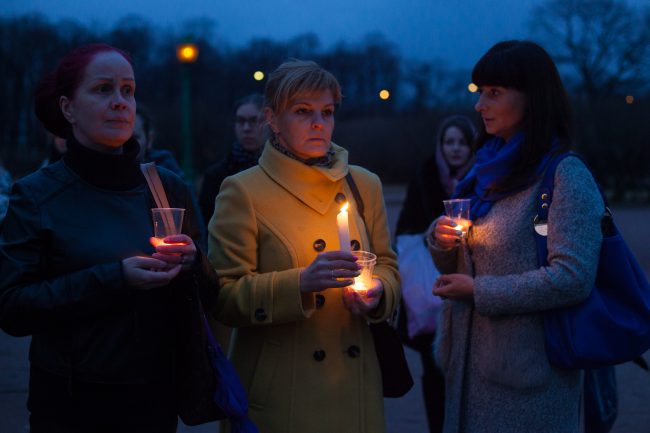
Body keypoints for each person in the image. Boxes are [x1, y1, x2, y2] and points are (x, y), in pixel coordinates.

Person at [0, 43, 218, 433]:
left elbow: (209, 290)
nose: (120, 102)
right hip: (71, 406)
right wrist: (116, 279)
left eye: (127, 90)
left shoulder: (165, 187)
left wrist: (193, 261)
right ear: (68, 108)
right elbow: (12, 308)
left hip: (155, 401)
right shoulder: (35, 195)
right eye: (103, 89)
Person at [208, 60, 400, 433]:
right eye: (302, 112)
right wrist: (300, 283)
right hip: (284, 395)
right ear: (272, 120)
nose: (318, 123)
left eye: (327, 112)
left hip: (355, 385)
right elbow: (224, 297)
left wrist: (378, 292)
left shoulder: (364, 183)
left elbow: (388, 265)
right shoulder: (242, 191)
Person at [428, 40, 603, 433]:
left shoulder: (565, 175)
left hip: (527, 382)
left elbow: (573, 278)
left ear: (532, 98)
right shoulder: (484, 169)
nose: (479, 106)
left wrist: (479, 291)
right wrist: (441, 240)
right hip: (468, 368)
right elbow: (463, 257)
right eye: (479, 93)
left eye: (493, 93)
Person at [394, 114, 475, 433]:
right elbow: (405, 229)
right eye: (449, 141)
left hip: (470, 287)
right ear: (440, 145)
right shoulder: (425, 175)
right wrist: (435, 236)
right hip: (430, 292)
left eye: (462, 142)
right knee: (433, 368)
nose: (455, 149)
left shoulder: (484, 177)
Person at [198, 93, 266, 225]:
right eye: (241, 121)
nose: (246, 128)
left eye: (254, 121)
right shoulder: (216, 176)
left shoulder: (281, 171)